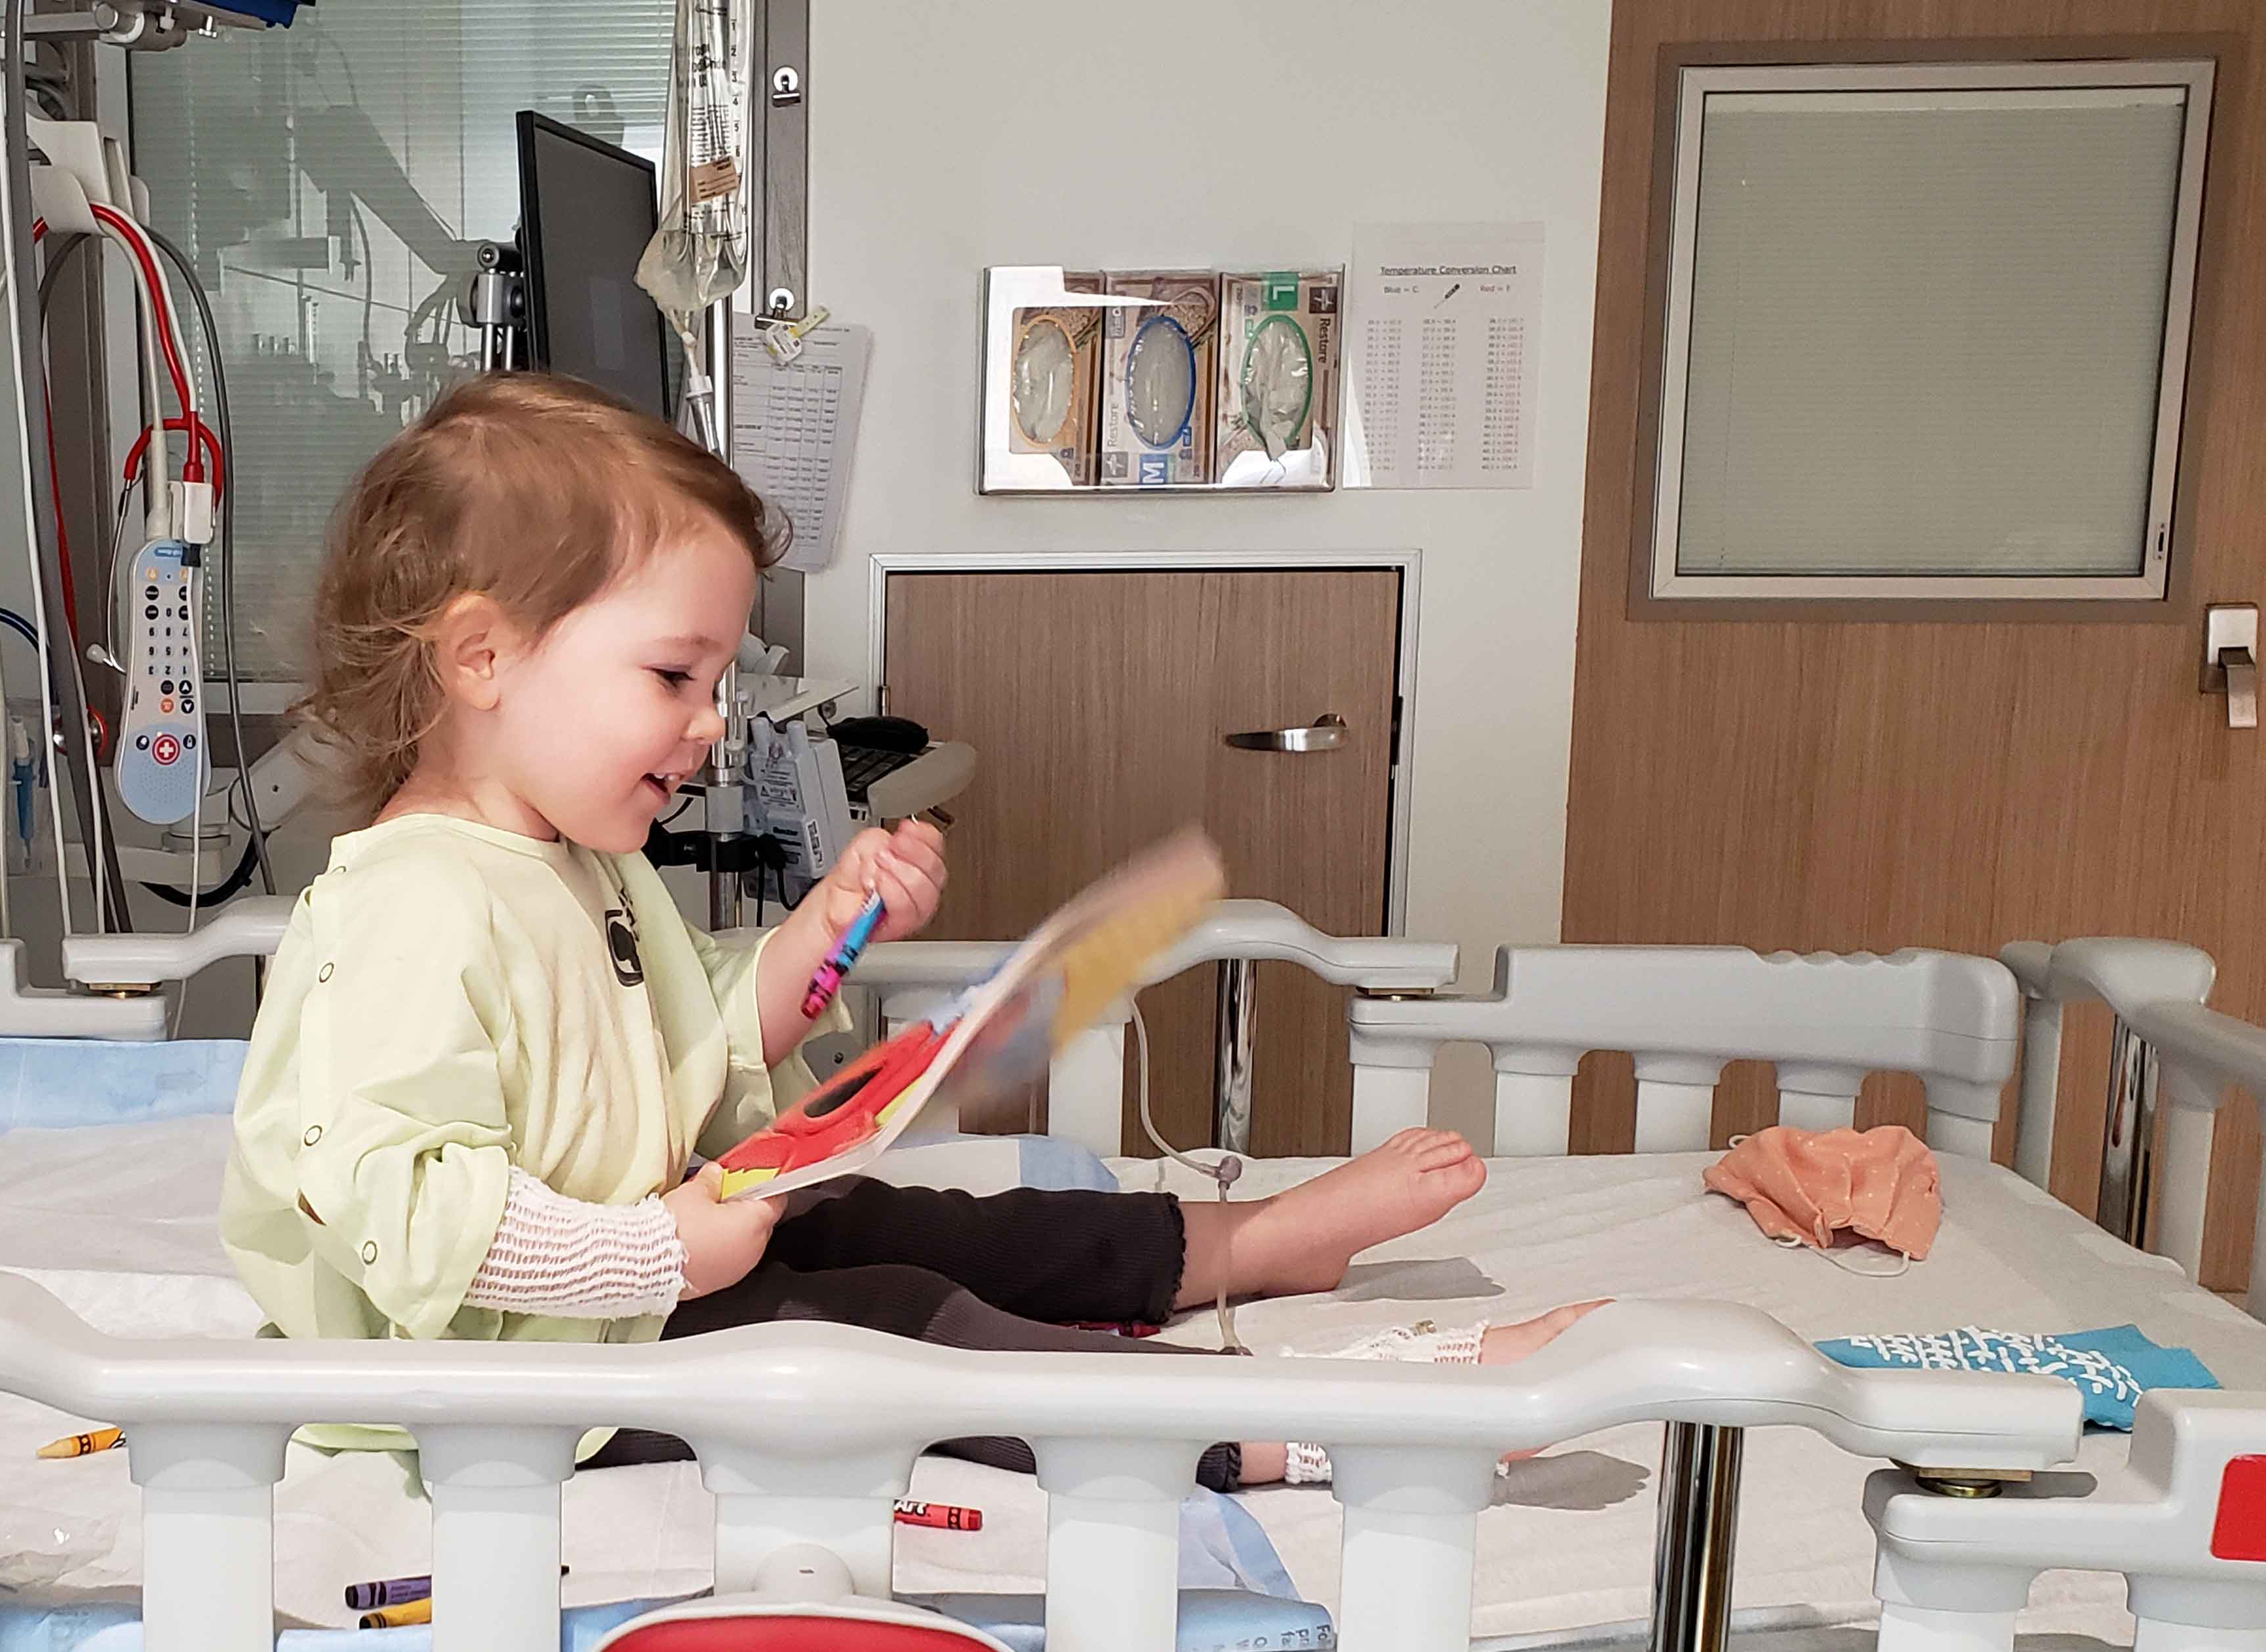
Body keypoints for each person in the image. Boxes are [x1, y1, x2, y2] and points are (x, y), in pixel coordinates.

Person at [218, 373, 1594, 1490]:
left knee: (917, 1221)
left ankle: (1242, 1247)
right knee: (902, 1335)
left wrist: (823, 936)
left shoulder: (573, 862)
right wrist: (659, 1257)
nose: (708, 722)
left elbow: (691, 1036)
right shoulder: (409, 905)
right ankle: (1337, 1422)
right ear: (483, 659)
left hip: (636, 1278)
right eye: (671, 674)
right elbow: (392, 1201)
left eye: (713, 678)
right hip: (524, 1380)